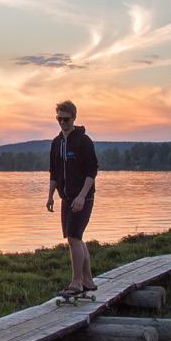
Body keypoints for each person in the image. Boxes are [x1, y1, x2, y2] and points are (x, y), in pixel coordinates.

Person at [45, 100, 98, 297]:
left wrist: (82, 196)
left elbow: (92, 171)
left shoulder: (83, 141)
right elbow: (54, 172)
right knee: (74, 238)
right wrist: (50, 195)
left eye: (66, 119)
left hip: (83, 198)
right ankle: (88, 280)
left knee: (74, 236)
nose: (62, 123)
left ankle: (76, 283)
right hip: (66, 198)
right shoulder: (56, 143)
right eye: (59, 119)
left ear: (74, 118)